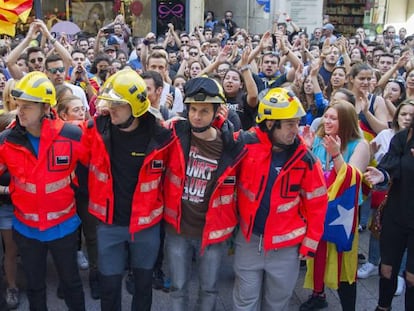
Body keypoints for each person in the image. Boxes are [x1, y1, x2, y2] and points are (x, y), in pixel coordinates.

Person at [86, 69, 175, 311]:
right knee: (110, 287)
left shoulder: (162, 135)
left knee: (143, 287)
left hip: (146, 226)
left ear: (135, 106)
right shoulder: (96, 128)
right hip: (109, 224)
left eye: (118, 104)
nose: (111, 108)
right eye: (110, 102)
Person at [233, 88, 328, 310]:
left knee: (276, 304)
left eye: (297, 123)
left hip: (286, 250)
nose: (297, 130)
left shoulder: (305, 159)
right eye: (290, 124)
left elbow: (317, 204)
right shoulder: (246, 143)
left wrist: (309, 244)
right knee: (244, 303)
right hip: (249, 242)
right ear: (270, 124)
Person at [0, 71, 87, 310]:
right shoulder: (7, 141)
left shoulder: (72, 135)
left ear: (45, 108)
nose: (20, 111)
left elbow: (95, 165)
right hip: (27, 231)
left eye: (27, 107)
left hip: (64, 227)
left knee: (71, 284)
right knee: (35, 288)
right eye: (19, 106)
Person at [163, 76, 245, 311]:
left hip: (213, 233)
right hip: (178, 229)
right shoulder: (174, 134)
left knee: (209, 289)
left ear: (217, 112)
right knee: (178, 287)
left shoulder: (231, 145)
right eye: (194, 109)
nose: (197, 116)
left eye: (205, 111)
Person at [301, 100, 370, 311]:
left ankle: (348, 306)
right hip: (319, 209)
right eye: (326, 117)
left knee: (342, 261)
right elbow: (314, 173)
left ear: (346, 121)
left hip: (344, 214)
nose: (327, 121)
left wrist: (336, 154)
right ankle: (318, 294)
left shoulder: (360, 144)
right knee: (317, 255)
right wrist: (307, 148)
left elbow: (352, 179)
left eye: (333, 118)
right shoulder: (321, 139)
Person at [364, 115, 414, 311]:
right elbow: (389, 166)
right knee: (386, 270)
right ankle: (382, 307)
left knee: (411, 277)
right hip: (396, 213)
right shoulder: (403, 138)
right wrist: (382, 175)